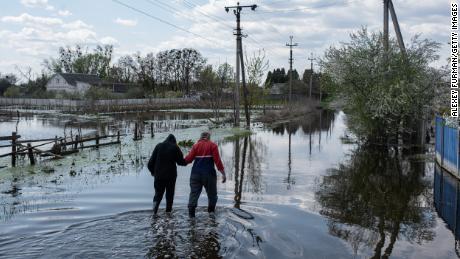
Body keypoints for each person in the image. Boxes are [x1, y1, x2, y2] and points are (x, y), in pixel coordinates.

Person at [184, 132, 226, 217]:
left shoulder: (195, 146)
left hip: (195, 174)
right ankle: (211, 215)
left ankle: (191, 217)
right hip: (209, 175)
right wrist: (223, 174)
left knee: (193, 194)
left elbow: (188, 159)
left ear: (201, 137)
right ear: (208, 137)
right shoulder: (213, 145)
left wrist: (178, 160)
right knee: (212, 195)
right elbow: (217, 161)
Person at [147, 134, 187, 215]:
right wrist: (188, 160)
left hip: (159, 176)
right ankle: (168, 214)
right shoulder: (175, 147)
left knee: (158, 195)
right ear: (174, 141)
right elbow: (181, 162)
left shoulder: (158, 146)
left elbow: (150, 163)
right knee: (169, 196)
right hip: (170, 177)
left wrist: (153, 172)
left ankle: (154, 212)